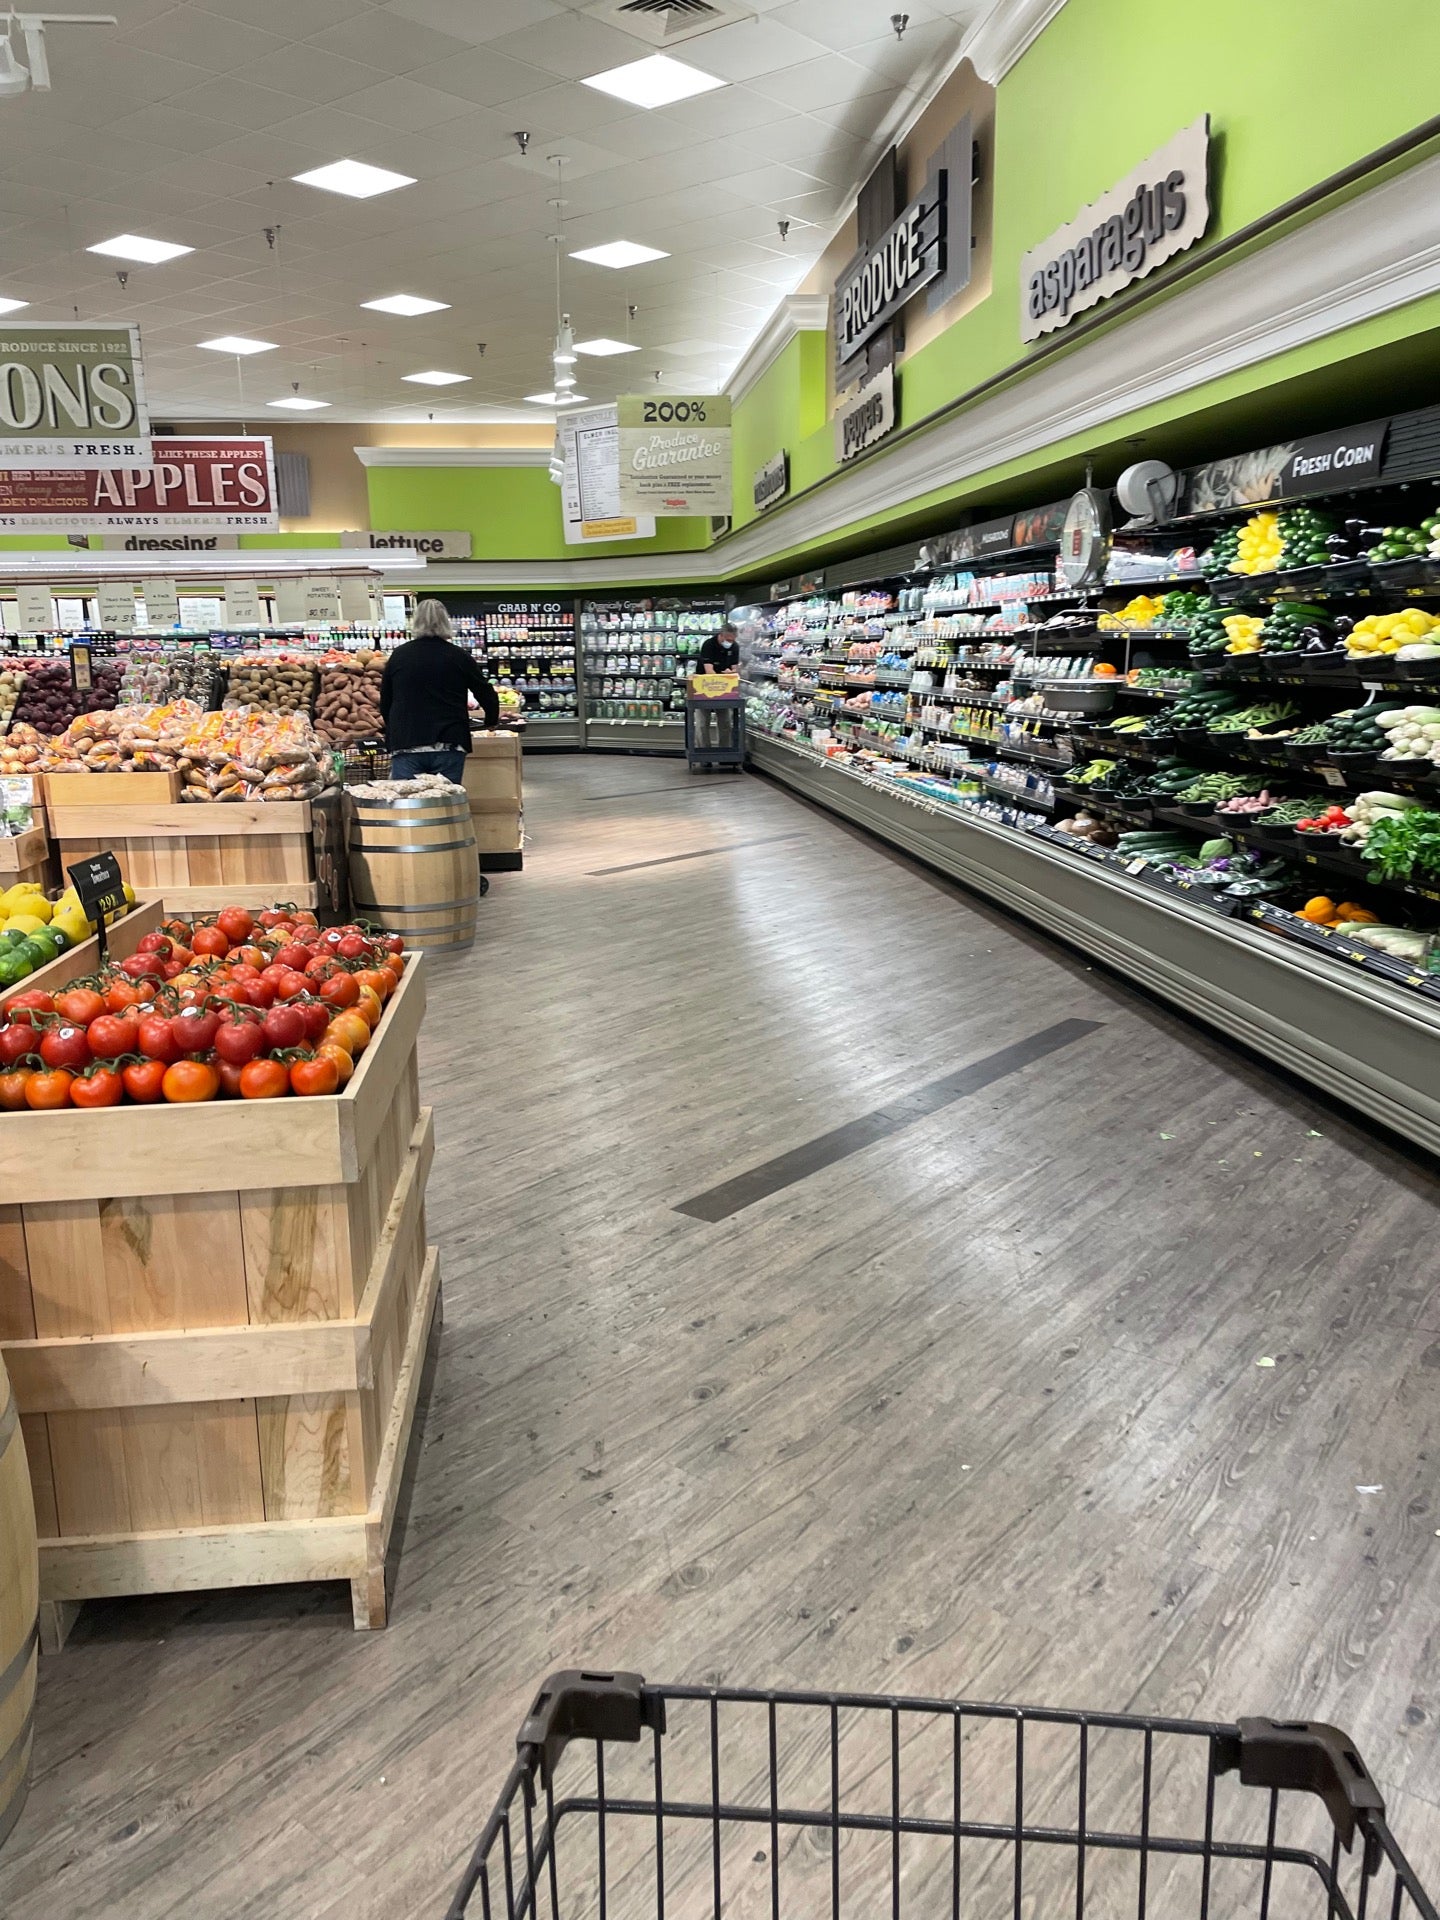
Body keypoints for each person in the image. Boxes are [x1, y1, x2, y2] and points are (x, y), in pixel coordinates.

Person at [381, 597, 499, 783]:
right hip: (449, 739)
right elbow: (485, 692)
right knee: (446, 800)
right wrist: (491, 720)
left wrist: (394, 727)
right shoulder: (459, 656)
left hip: (407, 741)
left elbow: (386, 699)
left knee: (408, 804)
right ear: (446, 622)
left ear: (415, 621)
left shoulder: (399, 656)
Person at [691, 622, 740, 754]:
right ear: (721, 636)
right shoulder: (709, 645)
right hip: (703, 687)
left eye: (732, 640)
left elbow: (735, 669)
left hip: (724, 689)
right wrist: (724, 677)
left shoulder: (734, 647)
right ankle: (703, 753)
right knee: (702, 723)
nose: (730, 642)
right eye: (728, 640)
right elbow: (709, 671)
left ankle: (724, 752)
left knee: (725, 722)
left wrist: (731, 674)